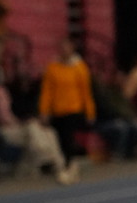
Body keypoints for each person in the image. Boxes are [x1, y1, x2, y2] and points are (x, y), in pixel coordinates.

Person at [38, 37, 95, 179]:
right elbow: (47, 91)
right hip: (58, 110)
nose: (64, 50)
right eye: (62, 47)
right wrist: (44, 110)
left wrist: (90, 111)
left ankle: (70, 165)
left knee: (68, 136)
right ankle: (66, 163)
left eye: (67, 47)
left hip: (74, 109)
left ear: (72, 48)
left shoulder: (80, 67)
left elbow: (86, 92)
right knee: (60, 139)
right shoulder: (52, 67)